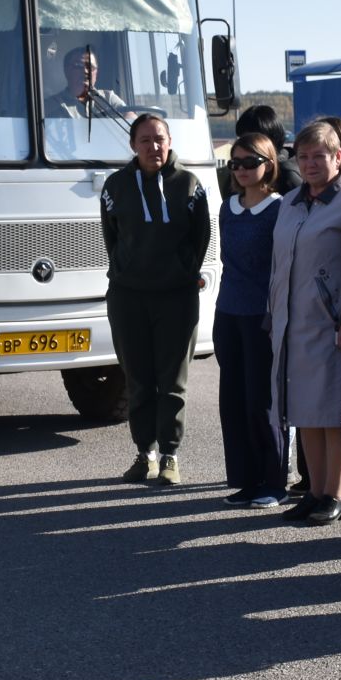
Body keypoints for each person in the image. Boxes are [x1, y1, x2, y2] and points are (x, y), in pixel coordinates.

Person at [268, 119, 341, 525]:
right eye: (304, 157)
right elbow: (280, 265)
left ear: (338, 156)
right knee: (305, 409)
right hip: (291, 324)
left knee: (337, 408)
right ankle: (314, 491)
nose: (311, 163)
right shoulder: (291, 203)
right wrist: (273, 313)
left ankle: (337, 493)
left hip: (335, 325)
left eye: (319, 155)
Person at [101, 112, 212, 486]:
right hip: (128, 297)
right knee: (138, 378)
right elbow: (111, 238)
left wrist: (182, 272)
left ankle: (170, 456)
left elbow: (200, 238)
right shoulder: (115, 186)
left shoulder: (190, 185)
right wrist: (128, 270)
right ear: (133, 145)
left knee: (172, 381)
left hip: (176, 298)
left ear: (169, 142)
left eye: (160, 139)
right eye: (145, 140)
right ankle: (143, 454)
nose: (154, 147)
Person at [215, 132, 288, 508]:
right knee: (234, 400)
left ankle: (274, 481)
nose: (242, 169)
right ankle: (245, 479)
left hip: (263, 314)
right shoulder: (228, 207)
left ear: (269, 164)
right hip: (228, 311)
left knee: (263, 400)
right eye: (236, 163)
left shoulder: (281, 208)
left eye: (250, 162)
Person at [47, 45, 128, 119]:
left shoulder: (109, 98)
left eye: (90, 67)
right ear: (66, 70)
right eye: (78, 66)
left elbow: (131, 119)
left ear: (96, 73)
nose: (85, 71)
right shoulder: (50, 105)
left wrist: (129, 116)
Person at [236, 103, 302, 192]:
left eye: (251, 140)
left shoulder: (287, 176)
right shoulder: (238, 170)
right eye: (242, 139)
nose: (244, 144)